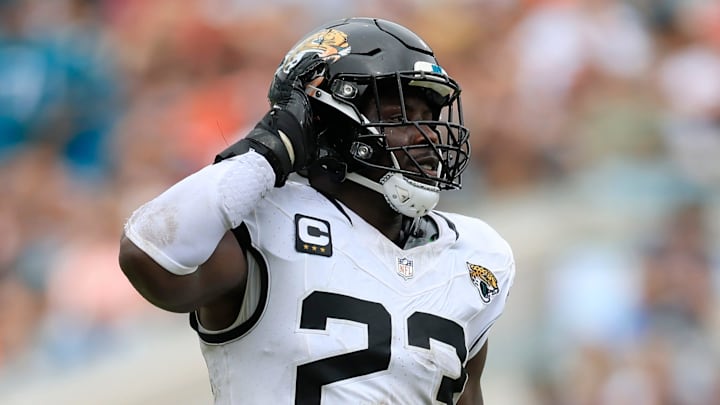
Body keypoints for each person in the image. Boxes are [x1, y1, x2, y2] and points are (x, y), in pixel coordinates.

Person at [119, 17, 515, 405]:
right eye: (398, 117)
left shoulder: (473, 253)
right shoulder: (265, 222)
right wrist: (265, 151)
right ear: (325, 123)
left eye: (428, 118)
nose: (427, 135)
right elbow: (149, 253)